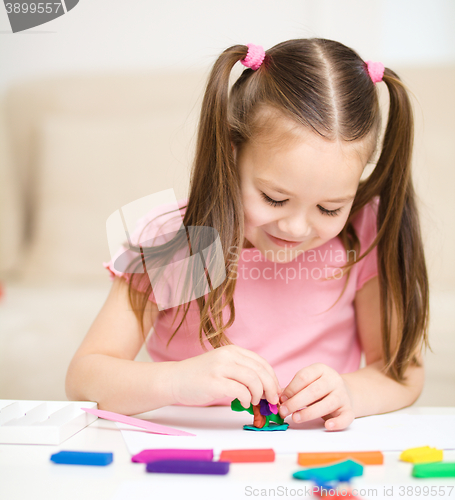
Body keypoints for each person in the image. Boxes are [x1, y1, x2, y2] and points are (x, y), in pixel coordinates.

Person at [65, 39, 430, 431]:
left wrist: (352, 392)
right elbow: (84, 378)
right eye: (274, 198)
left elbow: (399, 373)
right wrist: (175, 381)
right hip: (194, 455)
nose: (295, 227)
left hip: (311, 458)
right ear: (232, 149)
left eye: (329, 208)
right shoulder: (182, 240)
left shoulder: (362, 233)